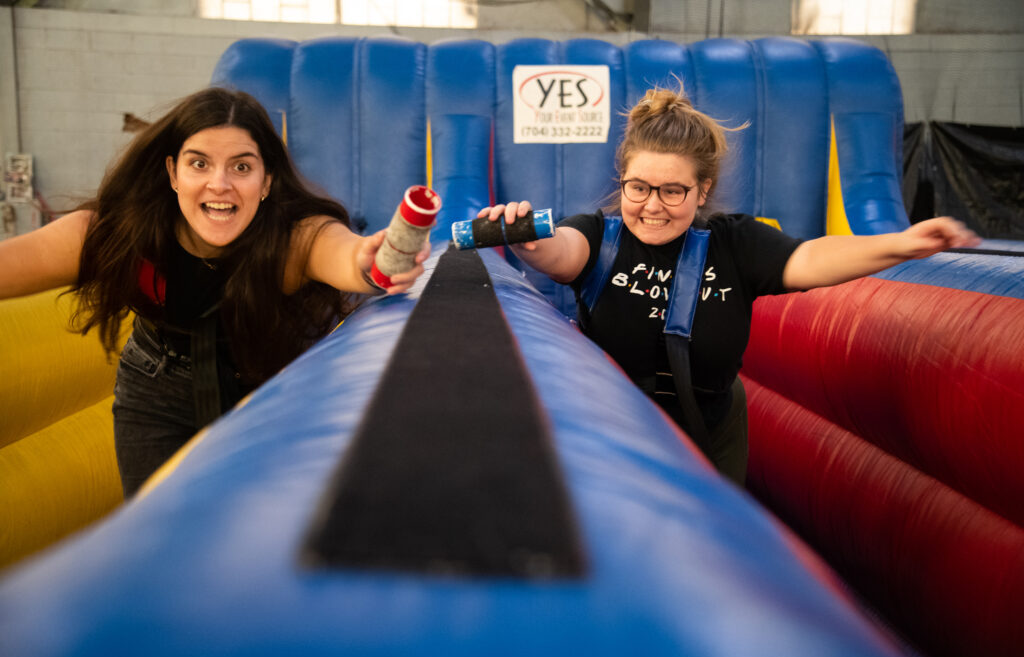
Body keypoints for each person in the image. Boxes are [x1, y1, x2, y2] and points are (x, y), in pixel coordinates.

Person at [480, 87, 979, 486]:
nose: (652, 206)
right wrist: (529, 243)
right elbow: (561, 253)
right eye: (639, 187)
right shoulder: (599, 235)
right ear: (624, 181)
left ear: (703, 192)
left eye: (673, 191)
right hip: (620, 432)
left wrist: (902, 245)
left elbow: (809, 256)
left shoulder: (733, 243)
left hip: (711, 430)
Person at [0, 87, 429, 497]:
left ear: (266, 182)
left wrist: (382, 258)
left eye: (241, 167)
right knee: (159, 536)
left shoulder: (294, 238)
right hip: (155, 393)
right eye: (199, 164)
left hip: (267, 390)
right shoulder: (119, 235)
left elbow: (349, 260)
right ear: (172, 173)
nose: (219, 184)